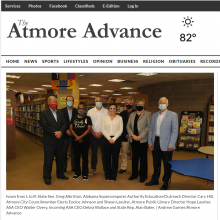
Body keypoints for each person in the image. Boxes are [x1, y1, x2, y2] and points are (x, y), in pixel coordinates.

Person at [146, 97, 178, 190]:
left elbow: (175, 131)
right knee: (156, 162)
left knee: (167, 164)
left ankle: (165, 182)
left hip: (167, 143)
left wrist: (171, 144)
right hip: (155, 141)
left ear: (167, 104)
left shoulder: (173, 115)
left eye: (164, 103)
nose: (162, 104)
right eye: (160, 103)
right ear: (158, 104)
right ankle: (155, 179)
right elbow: (151, 129)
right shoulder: (154, 115)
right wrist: (150, 142)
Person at [40, 96, 69, 185]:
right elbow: (44, 125)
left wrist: (60, 132)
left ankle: (60, 174)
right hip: (49, 140)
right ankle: (47, 177)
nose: (53, 102)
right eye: (51, 101)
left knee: (60, 159)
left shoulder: (60, 113)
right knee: (48, 160)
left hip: (60, 140)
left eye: (55, 101)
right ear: (48, 103)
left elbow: (64, 124)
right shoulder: (43, 113)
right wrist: (55, 133)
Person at [126, 98, 151, 183]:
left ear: (144, 105)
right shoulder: (132, 114)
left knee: (143, 158)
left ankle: (143, 175)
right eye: (138, 104)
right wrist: (132, 135)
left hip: (142, 140)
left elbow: (149, 127)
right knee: (134, 157)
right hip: (133, 139)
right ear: (135, 105)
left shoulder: (148, 114)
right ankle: (134, 174)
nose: (139, 105)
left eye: (141, 104)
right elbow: (128, 126)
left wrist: (140, 136)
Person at [70, 102, 92, 181]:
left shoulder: (88, 118)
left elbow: (89, 129)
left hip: (85, 141)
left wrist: (80, 137)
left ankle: (85, 174)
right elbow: (71, 128)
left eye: (82, 108)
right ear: (78, 109)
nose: (81, 110)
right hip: (75, 141)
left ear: (85, 109)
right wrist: (77, 137)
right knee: (76, 157)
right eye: (80, 108)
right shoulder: (74, 118)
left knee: (85, 157)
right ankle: (77, 173)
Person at [87, 97, 108, 176]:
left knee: (104, 153)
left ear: (102, 102)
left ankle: (106, 170)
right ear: (94, 102)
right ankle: (93, 169)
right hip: (93, 135)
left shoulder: (106, 111)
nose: (98, 102)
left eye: (100, 101)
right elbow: (88, 124)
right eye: (97, 101)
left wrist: (102, 132)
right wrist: (93, 133)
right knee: (94, 153)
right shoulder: (90, 112)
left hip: (104, 135)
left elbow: (108, 124)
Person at [101, 104, 123, 181]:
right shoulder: (104, 118)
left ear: (116, 109)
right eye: (111, 108)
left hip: (116, 140)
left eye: (114, 108)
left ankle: (113, 175)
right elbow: (103, 129)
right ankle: (107, 174)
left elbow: (120, 130)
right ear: (108, 109)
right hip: (106, 139)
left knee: (115, 157)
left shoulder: (119, 118)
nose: (112, 110)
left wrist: (113, 139)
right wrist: (109, 138)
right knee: (106, 157)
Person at [60, 96, 78, 172]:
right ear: (66, 101)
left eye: (71, 100)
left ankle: (74, 167)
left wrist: (72, 131)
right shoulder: (61, 111)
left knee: (74, 151)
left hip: (74, 134)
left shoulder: (77, 111)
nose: (70, 101)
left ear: (73, 102)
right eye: (68, 100)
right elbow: (60, 123)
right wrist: (66, 130)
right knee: (63, 152)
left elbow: (78, 123)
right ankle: (64, 167)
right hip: (65, 134)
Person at [119, 98, 135, 174]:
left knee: (135, 153)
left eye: (130, 103)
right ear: (125, 104)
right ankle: (123, 167)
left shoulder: (136, 112)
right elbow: (120, 126)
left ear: (133, 104)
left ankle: (135, 169)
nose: (129, 105)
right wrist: (125, 134)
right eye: (127, 103)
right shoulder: (121, 114)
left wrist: (131, 134)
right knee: (124, 153)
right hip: (124, 136)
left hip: (134, 136)